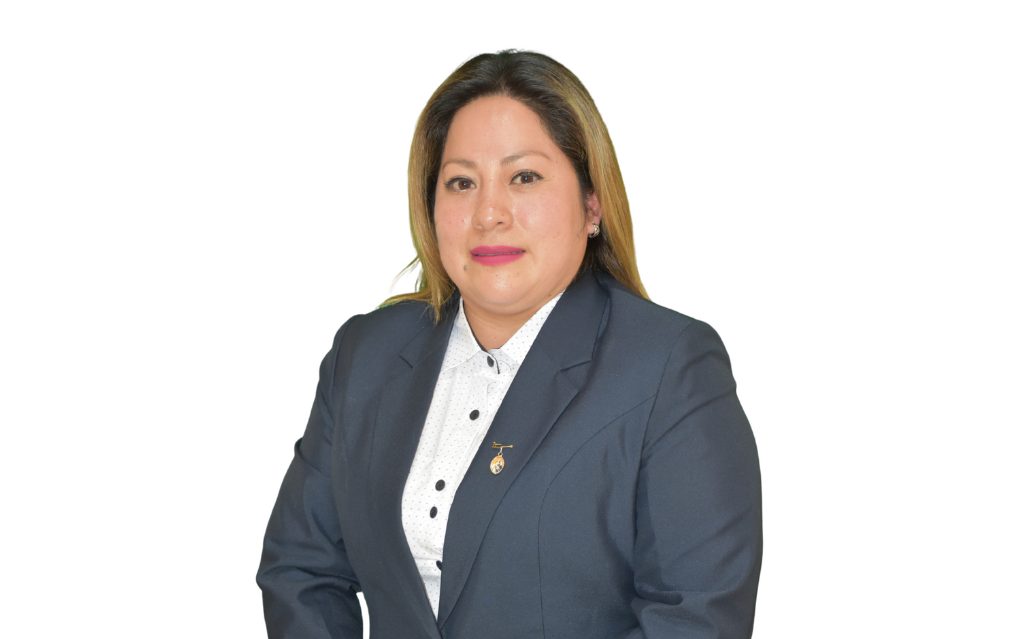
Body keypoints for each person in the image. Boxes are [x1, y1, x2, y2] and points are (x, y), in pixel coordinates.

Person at [257, 50, 762, 639]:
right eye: (461, 182)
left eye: (524, 177)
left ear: (592, 203)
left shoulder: (671, 368)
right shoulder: (364, 355)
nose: (488, 214)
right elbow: (302, 570)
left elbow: (695, 617)